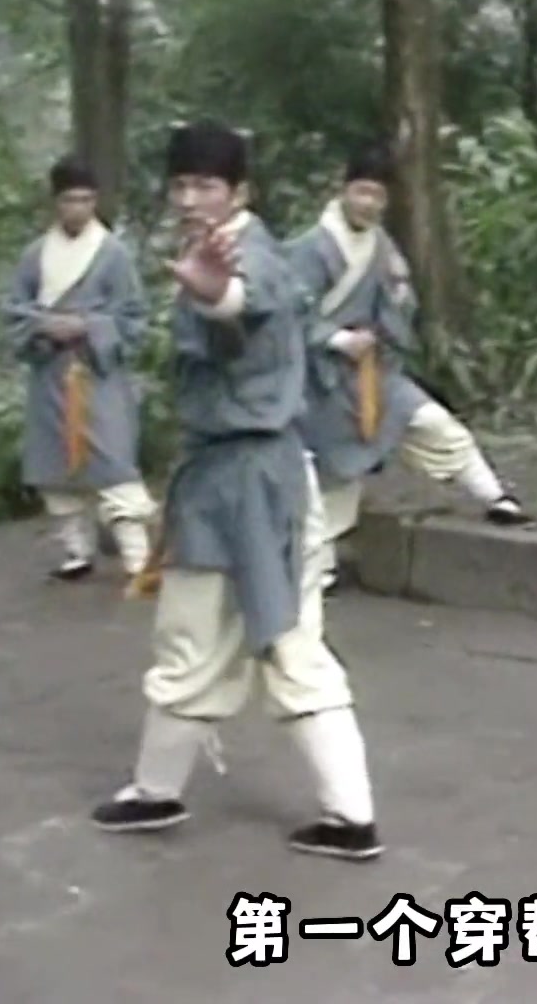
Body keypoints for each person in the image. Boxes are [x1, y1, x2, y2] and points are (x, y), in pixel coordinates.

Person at [89, 121, 383, 862]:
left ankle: (163, 791)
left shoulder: (248, 259)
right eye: (181, 185)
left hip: (245, 478)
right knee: (283, 641)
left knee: (210, 636)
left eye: (207, 186)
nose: (190, 199)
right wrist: (213, 291)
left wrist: (218, 297)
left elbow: (243, 313)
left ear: (240, 191)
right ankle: (346, 813)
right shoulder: (235, 252)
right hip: (255, 474)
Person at [287, 145, 534, 593]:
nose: (368, 204)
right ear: (344, 190)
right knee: (333, 479)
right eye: (362, 192)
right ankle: (318, 571)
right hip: (321, 382)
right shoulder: (309, 249)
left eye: (378, 196)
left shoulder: (383, 248)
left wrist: (394, 313)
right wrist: (337, 339)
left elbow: (400, 306)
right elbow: (287, 316)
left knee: (434, 423)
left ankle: (494, 496)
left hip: (372, 375)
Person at [1, 157, 159, 583]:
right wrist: (43, 326)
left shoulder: (113, 254)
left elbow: (133, 317)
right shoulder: (35, 255)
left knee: (112, 461)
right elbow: (14, 310)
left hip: (98, 374)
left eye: (87, 200)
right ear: (56, 203)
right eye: (70, 200)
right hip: (51, 372)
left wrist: (89, 326)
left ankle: (138, 557)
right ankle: (76, 552)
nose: (79, 209)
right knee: (56, 467)